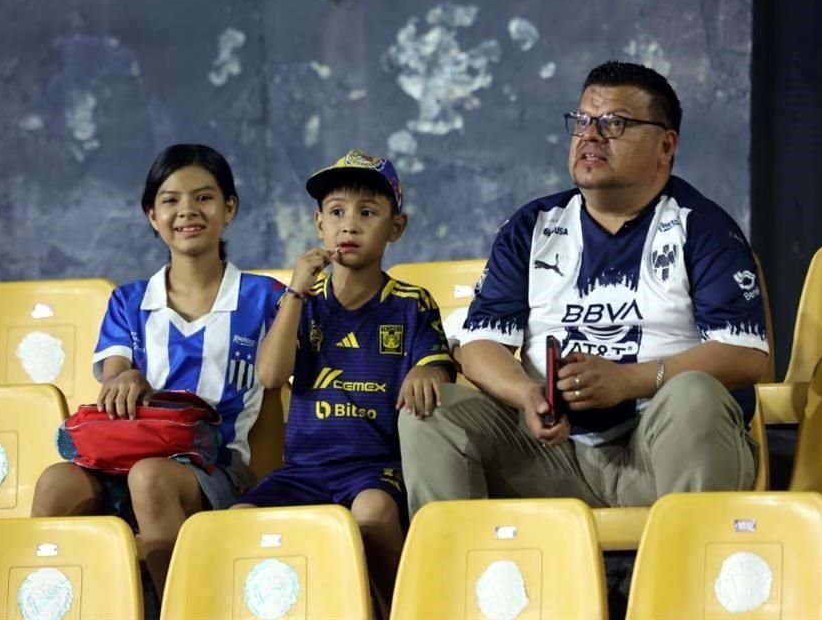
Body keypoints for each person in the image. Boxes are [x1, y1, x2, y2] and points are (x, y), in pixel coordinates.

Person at [399, 61, 769, 516]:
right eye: (582, 121)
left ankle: (684, 576)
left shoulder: (702, 227)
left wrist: (626, 381)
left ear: (665, 145)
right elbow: (480, 344)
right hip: (550, 454)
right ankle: (457, 579)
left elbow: (746, 354)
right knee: (431, 414)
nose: (590, 136)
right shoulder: (532, 226)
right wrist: (526, 394)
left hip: (656, 451)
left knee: (695, 395)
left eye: (615, 123)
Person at [31, 143, 283, 597]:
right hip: (123, 463)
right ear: (152, 215)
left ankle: (183, 607)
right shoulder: (129, 302)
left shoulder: (267, 297)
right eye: (170, 200)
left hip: (217, 467)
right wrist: (123, 377)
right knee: (56, 482)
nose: (187, 210)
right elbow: (114, 371)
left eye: (204, 198)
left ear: (229, 208)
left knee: (150, 477)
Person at [236, 150, 455, 616]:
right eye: (336, 212)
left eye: (367, 213)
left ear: (396, 227)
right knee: (237, 523)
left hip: (375, 467)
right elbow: (272, 376)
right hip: (305, 470)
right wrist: (295, 288)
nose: (349, 225)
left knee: (373, 514)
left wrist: (424, 370)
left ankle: (407, 607)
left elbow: (439, 367)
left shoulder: (411, 303)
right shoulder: (302, 301)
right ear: (319, 224)